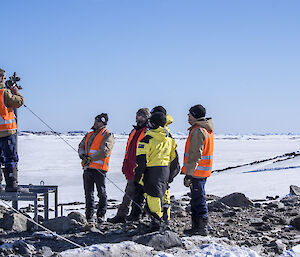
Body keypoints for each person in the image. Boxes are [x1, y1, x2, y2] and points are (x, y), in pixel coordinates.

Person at [134, 112, 180, 231]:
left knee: (152, 196)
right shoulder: (169, 139)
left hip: (152, 171)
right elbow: (174, 159)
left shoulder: (146, 140)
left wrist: (137, 177)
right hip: (165, 171)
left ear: (152, 123)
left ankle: (156, 223)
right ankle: (165, 220)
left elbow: (141, 161)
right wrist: (171, 175)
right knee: (163, 196)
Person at [107, 108, 150, 224]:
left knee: (142, 193)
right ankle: (123, 215)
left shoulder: (148, 131)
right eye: (138, 116)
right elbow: (129, 149)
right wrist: (126, 163)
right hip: (131, 165)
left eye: (142, 116)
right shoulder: (134, 131)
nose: (139, 118)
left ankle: (139, 215)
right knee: (129, 191)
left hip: (142, 167)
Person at [181, 104, 214, 236]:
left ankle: (201, 226)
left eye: (189, 114)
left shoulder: (198, 131)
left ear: (195, 115)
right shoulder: (206, 130)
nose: (188, 116)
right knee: (196, 198)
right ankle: (197, 226)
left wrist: (189, 174)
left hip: (197, 172)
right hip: (202, 171)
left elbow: (195, 154)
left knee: (198, 198)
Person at [78, 113, 114, 223]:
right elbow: (81, 146)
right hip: (88, 168)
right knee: (88, 193)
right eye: (95, 120)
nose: (95, 122)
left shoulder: (107, 134)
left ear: (103, 122)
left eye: (98, 121)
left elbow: (105, 151)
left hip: (99, 168)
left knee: (101, 192)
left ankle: (101, 215)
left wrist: (90, 158)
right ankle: (89, 215)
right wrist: (83, 156)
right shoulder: (89, 134)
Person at [0, 68, 24, 192]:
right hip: (6, 131)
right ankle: (11, 184)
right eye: (3, 78)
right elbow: (18, 102)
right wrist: (15, 91)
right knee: (10, 158)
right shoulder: (4, 93)